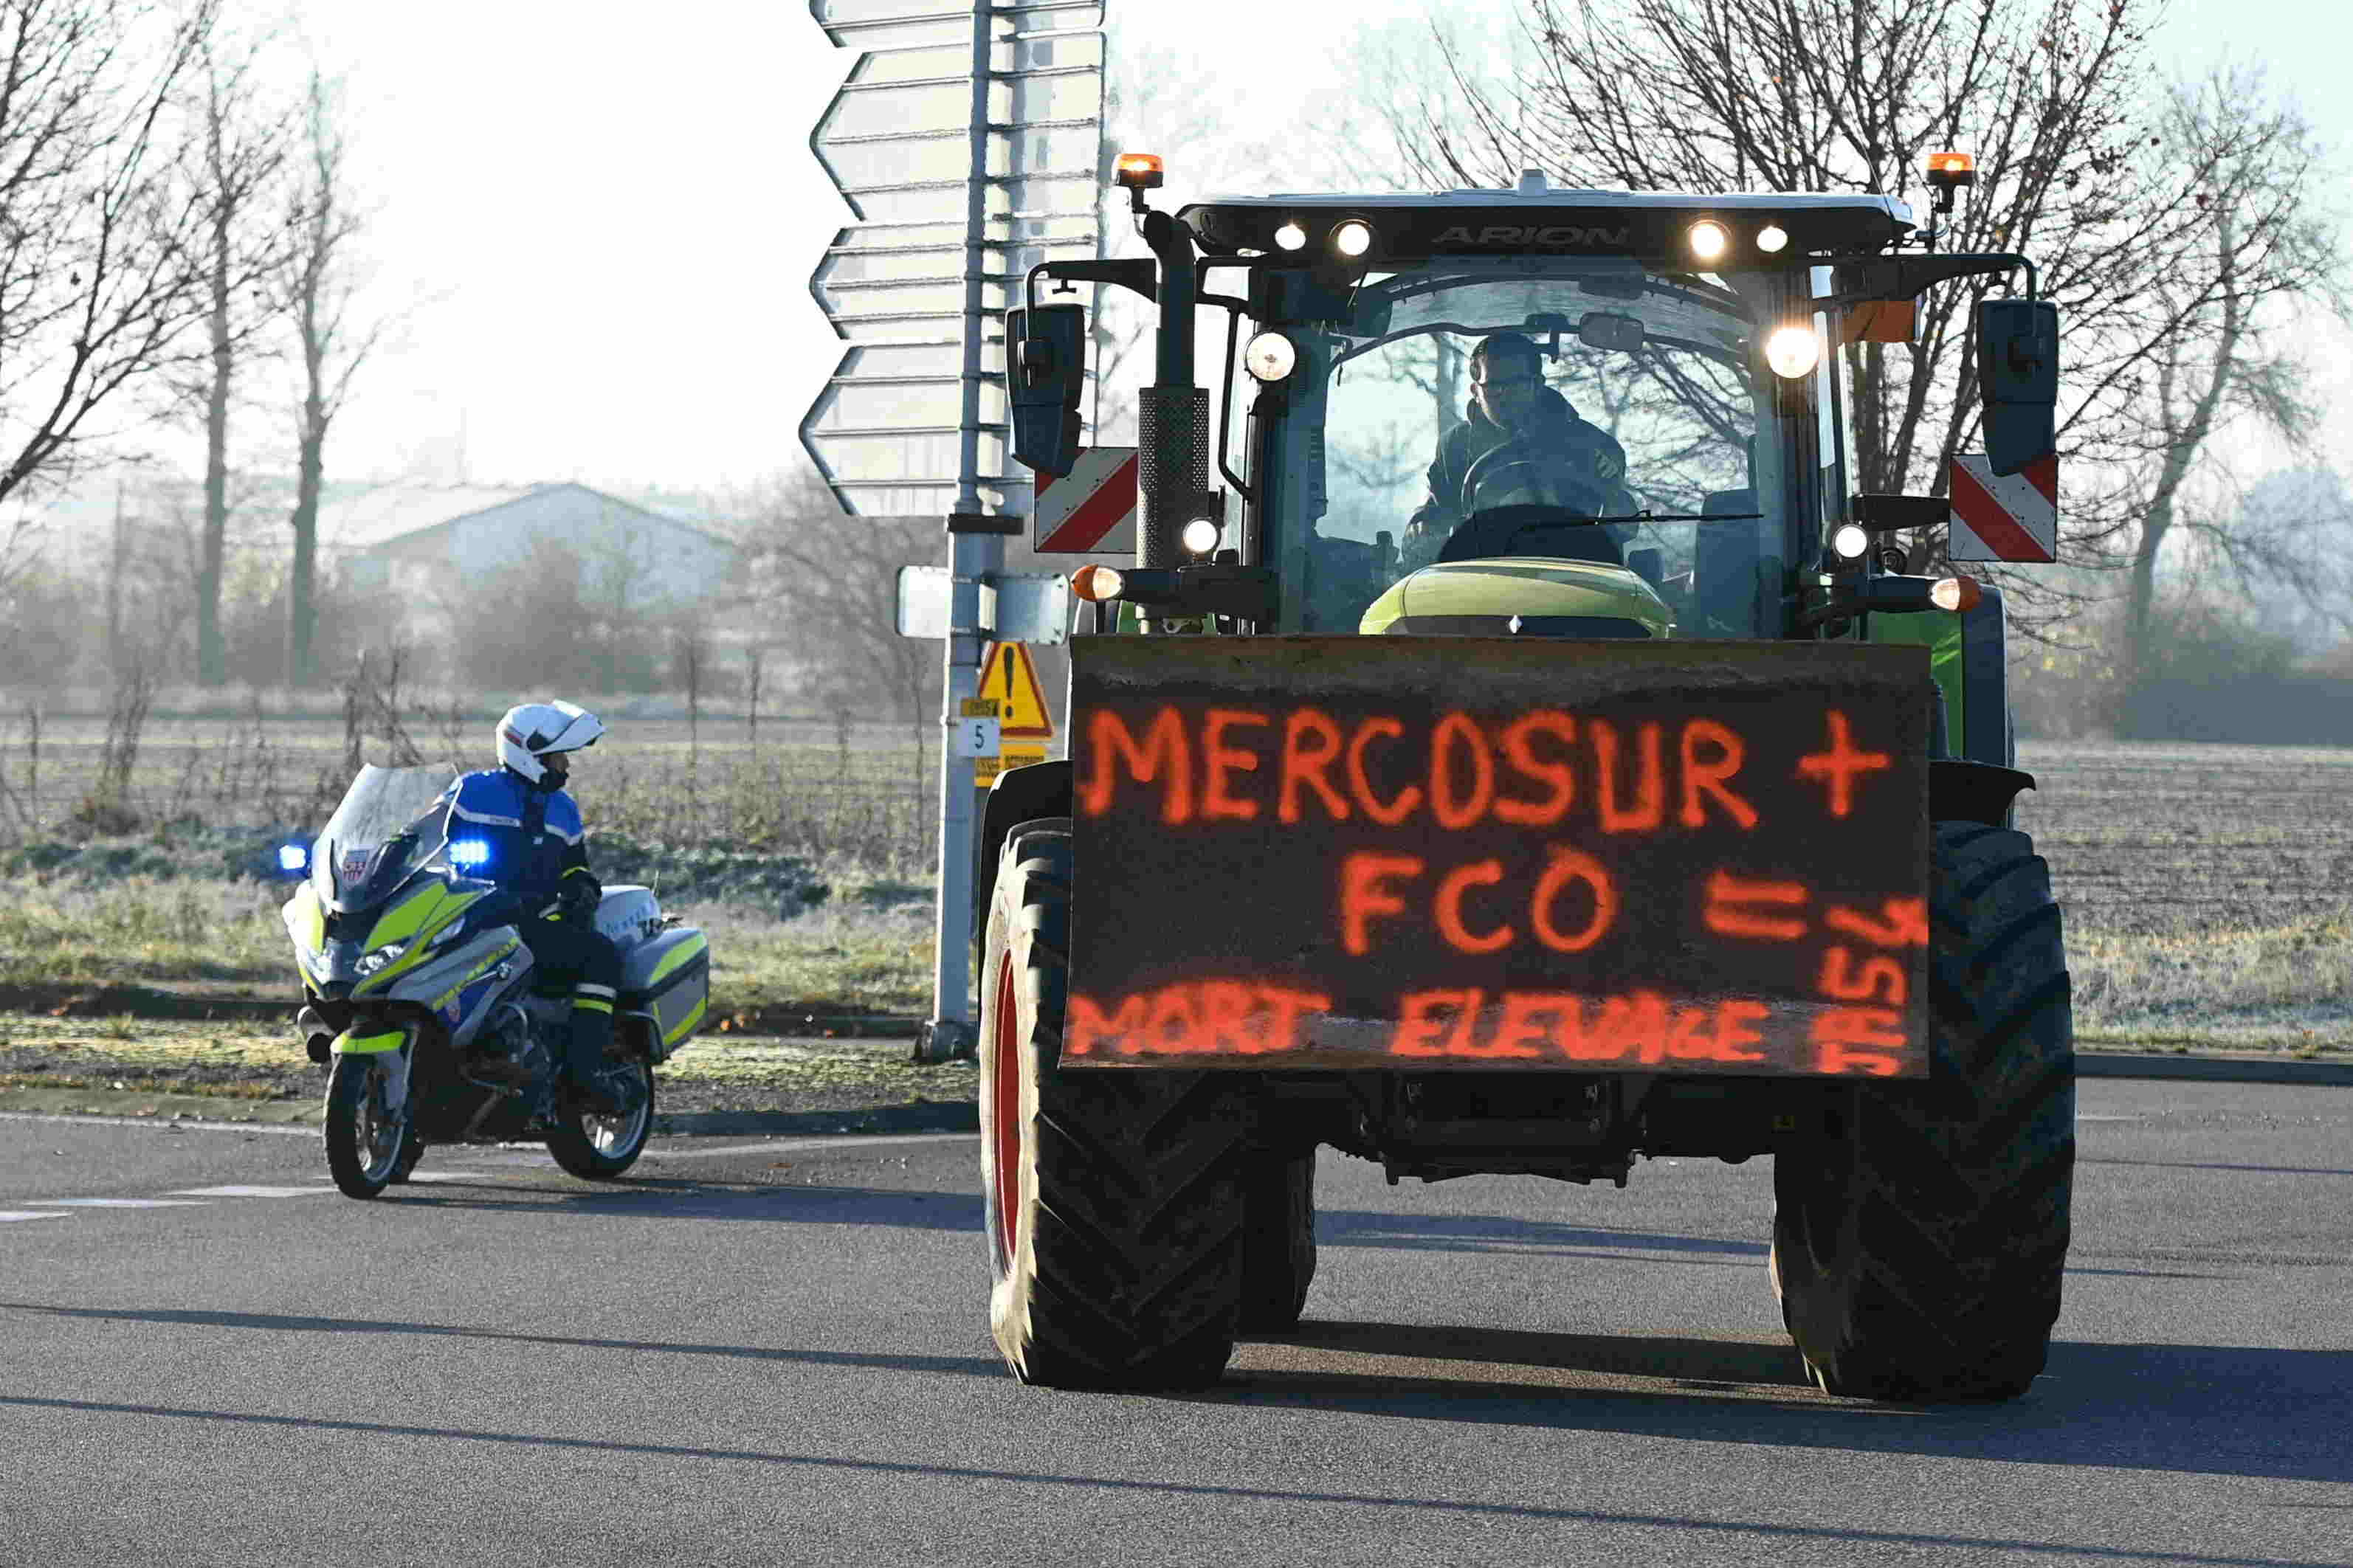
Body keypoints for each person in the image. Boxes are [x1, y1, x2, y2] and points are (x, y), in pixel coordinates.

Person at [441, 700, 629, 1116]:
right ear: (530, 754)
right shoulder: (471, 792)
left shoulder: (563, 809)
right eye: (558, 757)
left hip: (530, 928)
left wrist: (581, 886)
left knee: (599, 954)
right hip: (464, 922)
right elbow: (419, 841)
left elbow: (575, 866)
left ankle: (584, 1072)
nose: (565, 766)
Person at [1402, 331, 1633, 564]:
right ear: (1475, 391)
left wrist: (1613, 501)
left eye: (1518, 384)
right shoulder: (1454, 447)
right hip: (1476, 579)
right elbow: (1434, 516)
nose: (1506, 396)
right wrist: (1423, 525)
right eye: (1494, 387)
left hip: (1575, 575)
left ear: (1538, 385)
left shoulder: (1594, 446)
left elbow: (1618, 523)